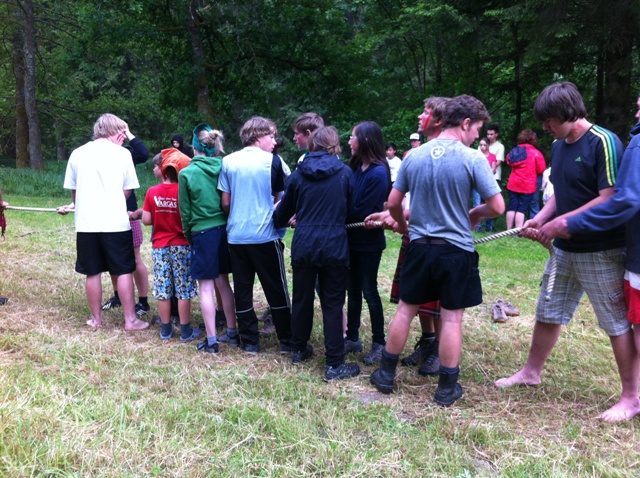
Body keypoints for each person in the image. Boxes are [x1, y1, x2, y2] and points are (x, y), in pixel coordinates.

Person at [494, 82, 636, 423]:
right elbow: (561, 192)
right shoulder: (558, 146)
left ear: (569, 113)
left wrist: (563, 223)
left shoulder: (603, 142)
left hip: (601, 249)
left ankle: (632, 397)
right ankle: (531, 372)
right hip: (564, 249)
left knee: (615, 323)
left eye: (550, 120)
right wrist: (542, 218)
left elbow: (609, 197)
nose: (546, 127)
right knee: (548, 310)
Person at [370, 95, 503, 406]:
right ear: (466, 123)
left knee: (406, 310)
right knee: (452, 319)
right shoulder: (472, 158)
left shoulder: (414, 156)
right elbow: (498, 207)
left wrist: (403, 226)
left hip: (419, 247)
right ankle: (446, 388)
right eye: (477, 130)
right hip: (455, 251)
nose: (477, 137)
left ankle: (385, 375)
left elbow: (393, 203)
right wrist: (475, 213)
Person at [366, 96, 449, 376]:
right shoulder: (416, 154)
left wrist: (399, 218)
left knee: (438, 299)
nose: (419, 117)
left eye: (425, 113)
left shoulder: (452, 154)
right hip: (414, 232)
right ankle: (428, 341)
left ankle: (438, 350)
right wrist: (396, 216)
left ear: (439, 120)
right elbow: (413, 200)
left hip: (440, 237)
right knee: (419, 295)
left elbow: (442, 205)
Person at [274, 126, 361, 381]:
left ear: (312, 144)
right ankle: (334, 364)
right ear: (334, 145)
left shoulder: (298, 175)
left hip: (305, 243)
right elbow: (351, 210)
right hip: (334, 243)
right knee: (332, 303)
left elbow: (282, 212)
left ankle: (298, 348)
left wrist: (290, 217)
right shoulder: (344, 173)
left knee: (302, 298)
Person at [59, 113, 149, 331]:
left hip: (87, 223)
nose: (123, 137)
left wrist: (81, 204)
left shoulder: (78, 153)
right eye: (121, 132)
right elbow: (128, 190)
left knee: (93, 271)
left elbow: (74, 192)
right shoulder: (122, 154)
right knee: (124, 269)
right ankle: (130, 320)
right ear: (113, 131)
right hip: (116, 223)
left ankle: (96, 320)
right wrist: (113, 201)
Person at [218, 116, 292, 354]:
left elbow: (225, 202)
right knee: (276, 288)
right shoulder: (274, 161)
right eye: (271, 136)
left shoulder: (228, 161)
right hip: (265, 236)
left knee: (243, 289)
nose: (274, 141)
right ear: (257, 135)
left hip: (237, 236)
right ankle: (287, 340)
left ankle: (249, 341)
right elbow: (280, 198)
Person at [179, 123, 238, 353]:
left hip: (202, 232)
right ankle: (232, 331)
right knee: (223, 282)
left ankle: (212, 341)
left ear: (194, 147)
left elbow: (185, 212)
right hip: (223, 230)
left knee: (205, 287)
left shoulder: (187, 173)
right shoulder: (224, 166)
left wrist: (189, 236)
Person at [345, 121, 391, 365]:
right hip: (350, 240)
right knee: (352, 290)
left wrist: (336, 212)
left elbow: (362, 210)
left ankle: (379, 343)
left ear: (364, 140)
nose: (349, 141)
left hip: (369, 243)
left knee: (369, 290)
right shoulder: (354, 168)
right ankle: (352, 338)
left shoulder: (378, 172)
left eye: (353, 137)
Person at [142, 148, 200, 342]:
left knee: (163, 288)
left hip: (160, 246)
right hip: (182, 245)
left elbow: (146, 220)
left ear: (163, 170)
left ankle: (166, 330)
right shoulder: (184, 192)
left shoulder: (152, 192)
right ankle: (185, 330)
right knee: (183, 288)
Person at [101, 125, 151, 317]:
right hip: (106, 212)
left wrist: (128, 132)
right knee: (112, 257)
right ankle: (118, 296)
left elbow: (143, 153)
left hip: (128, 212)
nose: (121, 136)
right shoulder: (98, 154)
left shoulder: (126, 153)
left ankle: (143, 302)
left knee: (135, 257)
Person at [504, 129, 546, 229]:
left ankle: (508, 230)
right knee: (521, 208)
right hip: (528, 186)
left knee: (512, 206)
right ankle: (518, 231)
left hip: (513, 183)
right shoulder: (536, 153)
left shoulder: (515, 151)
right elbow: (541, 169)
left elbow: (508, 160)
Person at [472, 137, 498, 232]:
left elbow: (493, 170)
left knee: (489, 204)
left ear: (488, 145)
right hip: (476, 184)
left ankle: (488, 227)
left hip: (487, 184)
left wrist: (485, 172)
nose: (482, 147)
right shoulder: (476, 156)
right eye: (481, 145)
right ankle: (477, 227)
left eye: (484, 145)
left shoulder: (492, 156)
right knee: (477, 204)